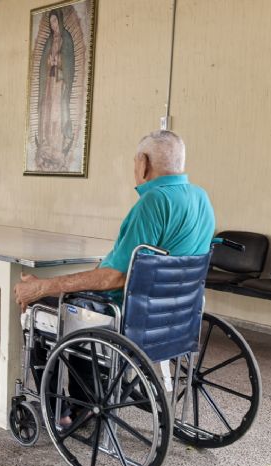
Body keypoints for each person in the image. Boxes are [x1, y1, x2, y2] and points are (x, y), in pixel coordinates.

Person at [14, 130, 215, 422]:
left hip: (130, 315)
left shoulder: (153, 203)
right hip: (176, 315)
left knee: (41, 309)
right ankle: (85, 402)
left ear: (143, 163)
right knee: (76, 301)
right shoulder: (201, 198)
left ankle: (62, 412)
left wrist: (43, 286)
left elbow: (114, 278)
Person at [35, 8, 76, 171]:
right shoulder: (49, 42)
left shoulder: (66, 38)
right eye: (50, 22)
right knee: (48, 112)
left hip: (60, 83)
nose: (53, 25)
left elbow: (69, 62)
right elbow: (43, 66)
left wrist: (57, 59)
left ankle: (57, 144)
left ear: (59, 20)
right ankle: (47, 144)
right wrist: (48, 61)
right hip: (50, 83)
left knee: (57, 114)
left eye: (54, 21)